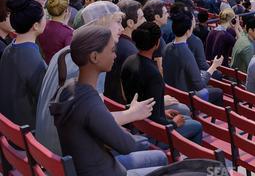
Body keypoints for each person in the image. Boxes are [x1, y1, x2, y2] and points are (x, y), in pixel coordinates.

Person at [49, 25, 167, 176]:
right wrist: (128, 117)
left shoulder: (67, 88)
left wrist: (130, 113)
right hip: (105, 170)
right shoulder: (90, 102)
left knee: (159, 157)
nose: (115, 56)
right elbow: (127, 145)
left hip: (87, 166)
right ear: (94, 57)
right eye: (112, 50)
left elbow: (91, 121)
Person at [122, 22, 203, 144]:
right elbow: (155, 119)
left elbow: (144, 102)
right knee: (197, 126)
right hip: (154, 132)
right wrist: (174, 123)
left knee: (185, 116)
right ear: (157, 43)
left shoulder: (128, 61)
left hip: (138, 121)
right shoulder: (153, 74)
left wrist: (162, 112)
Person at [0, 0, 47, 127]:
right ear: (36, 25)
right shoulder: (32, 58)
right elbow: (43, 99)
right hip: (26, 128)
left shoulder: (9, 48)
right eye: (44, 17)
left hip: (9, 123)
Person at [162, 7, 224, 105]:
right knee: (218, 92)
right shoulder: (186, 53)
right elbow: (200, 85)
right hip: (187, 97)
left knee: (212, 89)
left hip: (173, 92)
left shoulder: (167, 47)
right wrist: (214, 66)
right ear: (188, 31)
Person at [104, 0, 144, 104]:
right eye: (141, 18)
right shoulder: (130, 51)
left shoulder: (113, 42)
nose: (145, 20)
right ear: (130, 23)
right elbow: (131, 95)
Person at [38, 0, 73, 64]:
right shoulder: (68, 33)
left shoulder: (42, 26)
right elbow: (69, 59)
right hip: (59, 69)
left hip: (45, 64)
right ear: (66, 10)